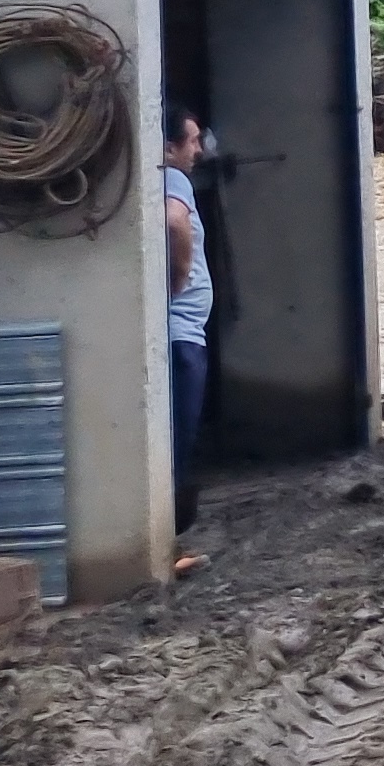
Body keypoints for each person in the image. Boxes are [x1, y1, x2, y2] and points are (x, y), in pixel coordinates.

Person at [160, 105, 214, 526]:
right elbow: (174, 221)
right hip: (182, 334)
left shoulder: (166, 178)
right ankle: (169, 540)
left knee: (179, 436)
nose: (198, 149)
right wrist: (180, 274)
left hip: (183, 332)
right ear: (168, 146)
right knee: (180, 438)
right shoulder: (173, 177)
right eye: (192, 141)